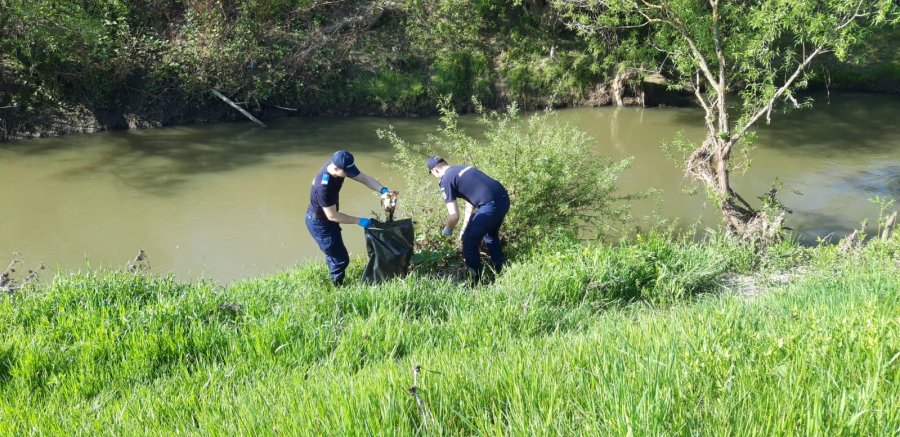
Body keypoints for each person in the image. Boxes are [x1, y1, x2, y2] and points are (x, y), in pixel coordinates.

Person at [307, 150, 396, 286]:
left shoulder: (337, 166)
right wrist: (360, 221)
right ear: (336, 168)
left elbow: (364, 178)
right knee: (341, 259)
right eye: (347, 172)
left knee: (334, 252)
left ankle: (334, 272)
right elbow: (332, 216)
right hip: (320, 223)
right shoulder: (324, 187)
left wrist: (382, 190)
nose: (350, 174)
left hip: (328, 217)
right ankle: (337, 287)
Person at [426, 156, 510, 281]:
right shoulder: (463, 167)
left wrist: (447, 230)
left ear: (435, 171)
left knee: (469, 242)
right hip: (503, 199)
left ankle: (476, 281)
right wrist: (465, 226)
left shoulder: (446, 180)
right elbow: (470, 200)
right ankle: (500, 269)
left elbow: (453, 215)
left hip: (489, 205)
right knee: (490, 234)